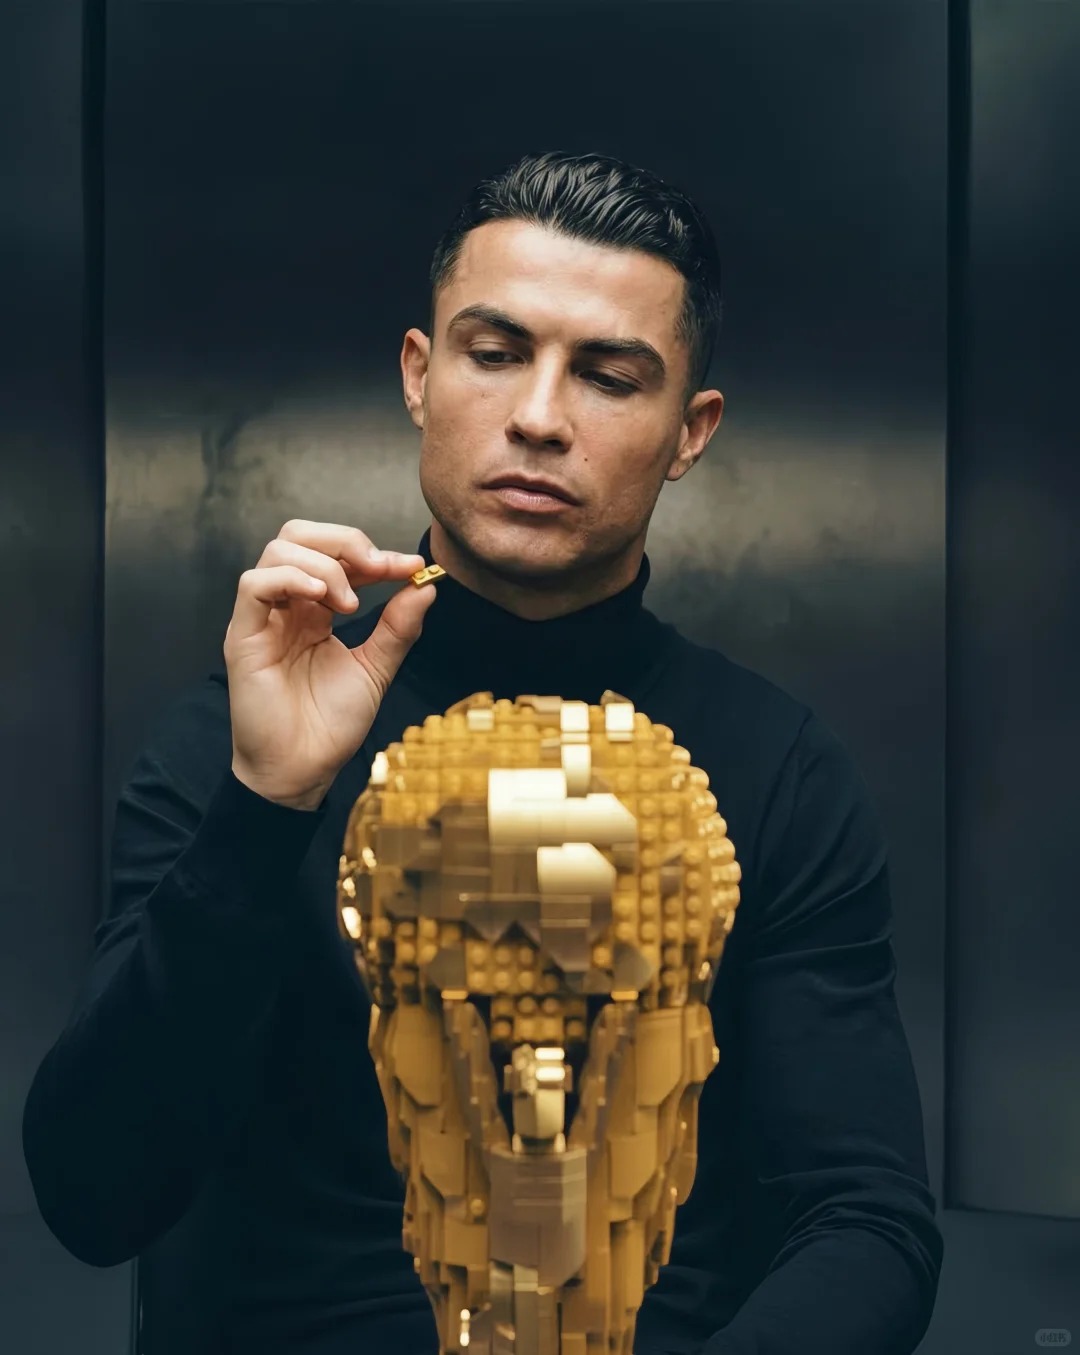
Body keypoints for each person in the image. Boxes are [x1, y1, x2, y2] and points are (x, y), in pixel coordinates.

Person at [22, 150, 943, 1355]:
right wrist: (264, 807)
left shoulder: (776, 770)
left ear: (689, 431)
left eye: (608, 375)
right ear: (420, 373)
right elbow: (94, 1196)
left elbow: (868, 1220)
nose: (540, 417)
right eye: (495, 352)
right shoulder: (233, 743)